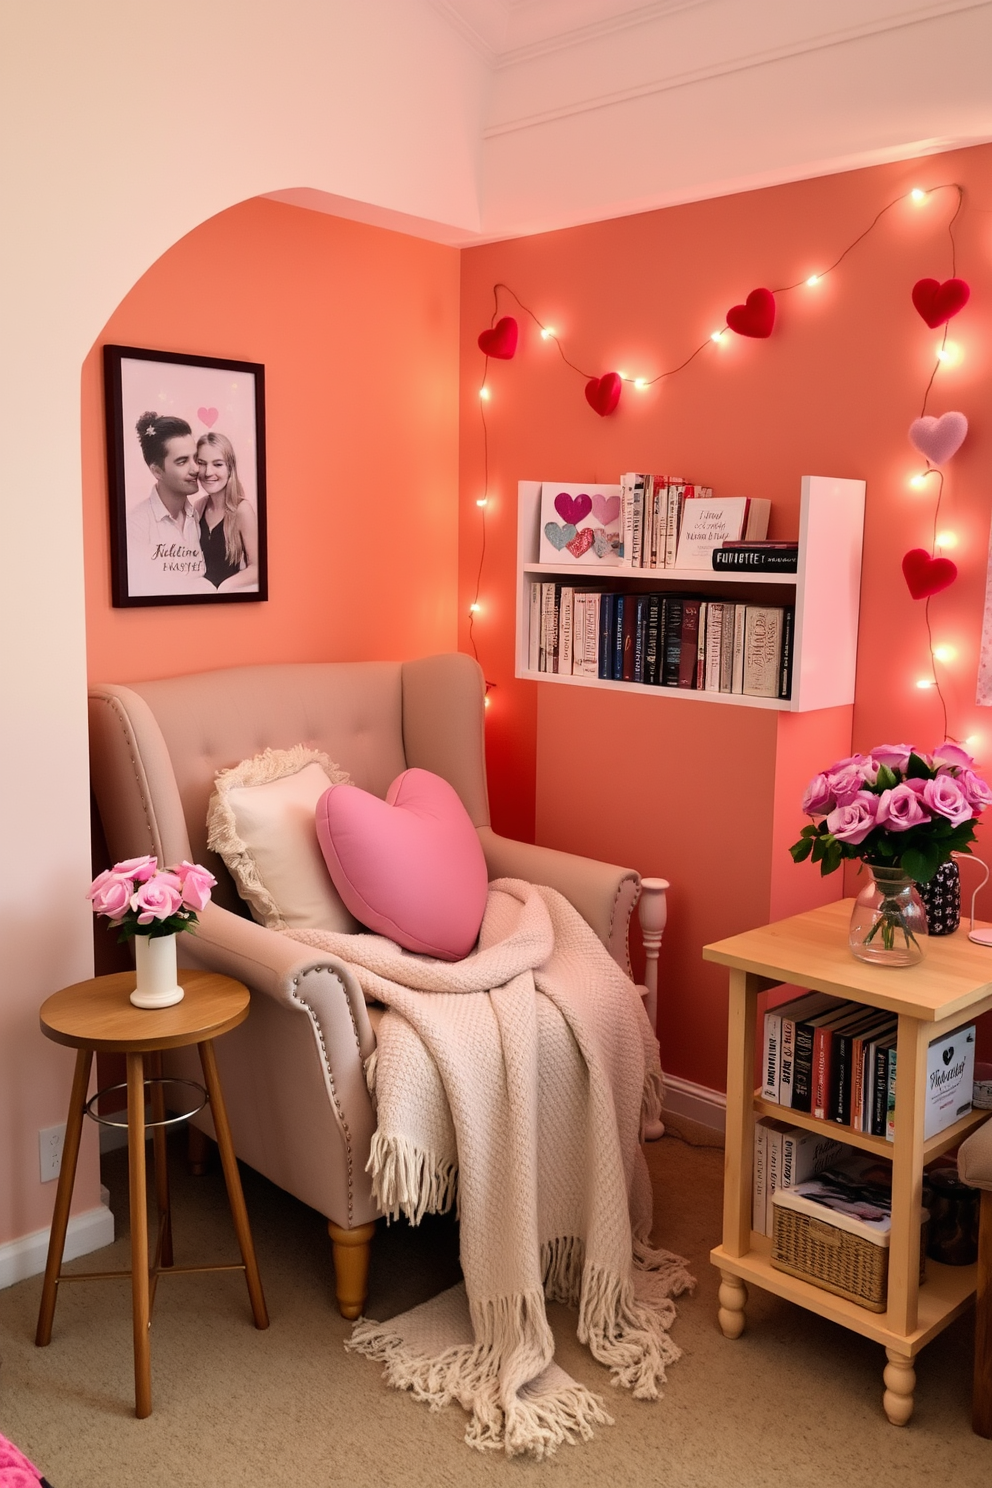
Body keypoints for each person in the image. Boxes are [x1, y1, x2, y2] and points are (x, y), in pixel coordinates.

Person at [126, 412, 213, 596]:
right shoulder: (136, 526)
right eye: (182, 461)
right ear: (157, 471)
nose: (195, 468)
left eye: (195, 458)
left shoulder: (197, 514)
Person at [194, 431, 259, 592]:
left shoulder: (242, 510)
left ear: (230, 468)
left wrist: (224, 588)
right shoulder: (198, 507)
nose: (208, 472)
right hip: (199, 600)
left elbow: (258, 568)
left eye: (217, 464)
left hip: (228, 602)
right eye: (202, 463)